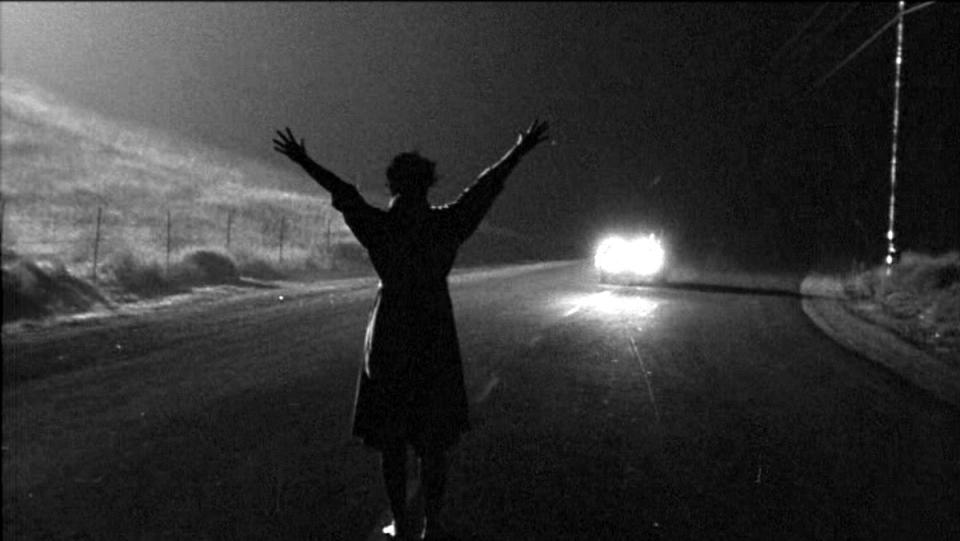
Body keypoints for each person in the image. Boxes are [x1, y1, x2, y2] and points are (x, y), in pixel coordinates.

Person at [273, 119, 549, 540]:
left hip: (388, 339)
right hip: (435, 336)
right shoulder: (447, 224)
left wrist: (305, 160)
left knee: (392, 440)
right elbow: (485, 188)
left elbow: (343, 193)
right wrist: (519, 151)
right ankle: (432, 525)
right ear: (428, 185)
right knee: (433, 442)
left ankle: (402, 522)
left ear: (393, 185)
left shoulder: (380, 228)